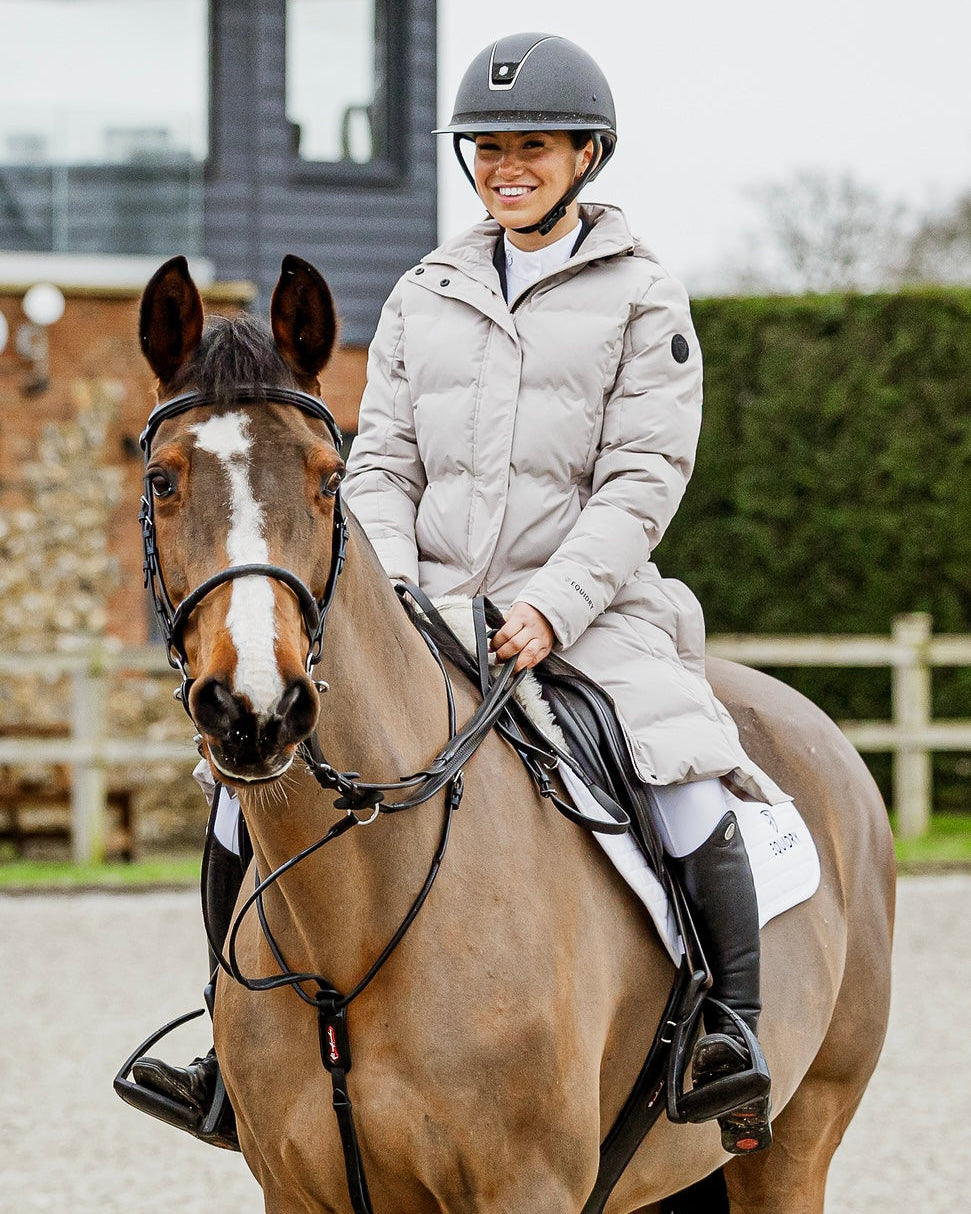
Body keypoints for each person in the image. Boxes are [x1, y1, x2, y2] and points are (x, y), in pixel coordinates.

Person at [133, 31, 785, 1156]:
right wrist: (392, 592)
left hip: (587, 609)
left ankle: (726, 1029)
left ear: (585, 154)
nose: (505, 168)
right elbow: (374, 461)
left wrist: (554, 605)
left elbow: (643, 476)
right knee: (247, 786)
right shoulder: (426, 291)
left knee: (678, 765)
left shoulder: (642, 298)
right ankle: (227, 1049)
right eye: (487, 150)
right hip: (424, 602)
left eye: (530, 148)